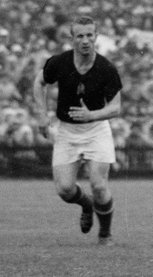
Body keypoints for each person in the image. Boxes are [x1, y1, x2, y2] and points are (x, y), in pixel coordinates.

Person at [35, 14, 122, 243]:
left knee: (99, 185)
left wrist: (91, 114)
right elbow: (39, 82)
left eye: (89, 35)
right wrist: (42, 115)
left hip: (96, 130)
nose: (85, 40)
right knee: (64, 189)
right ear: (72, 38)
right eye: (80, 36)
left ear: (96, 36)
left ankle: (105, 234)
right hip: (67, 131)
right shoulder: (60, 62)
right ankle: (86, 205)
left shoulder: (106, 68)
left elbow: (116, 107)